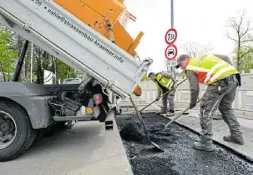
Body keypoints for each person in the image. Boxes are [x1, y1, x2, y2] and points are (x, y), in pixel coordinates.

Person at [175, 54, 244, 152]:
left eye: (180, 64)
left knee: (205, 110)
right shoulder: (205, 56)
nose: (181, 67)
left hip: (220, 82)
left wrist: (192, 103)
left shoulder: (190, 67)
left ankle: (205, 142)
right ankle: (237, 136)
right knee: (226, 108)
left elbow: (194, 88)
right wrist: (228, 72)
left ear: (186, 60)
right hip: (234, 78)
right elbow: (226, 57)